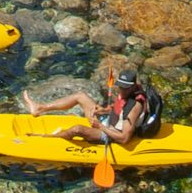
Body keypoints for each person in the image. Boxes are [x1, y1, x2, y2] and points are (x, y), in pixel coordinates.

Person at [34, 60, 164, 146]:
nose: (122, 90)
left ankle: (49, 138)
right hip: (107, 120)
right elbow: (119, 108)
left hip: (111, 134)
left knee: (77, 129)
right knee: (80, 96)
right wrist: (104, 110)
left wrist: (100, 127)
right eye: (120, 86)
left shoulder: (134, 107)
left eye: (125, 88)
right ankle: (40, 108)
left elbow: (124, 138)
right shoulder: (127, 91)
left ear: (133, 87)